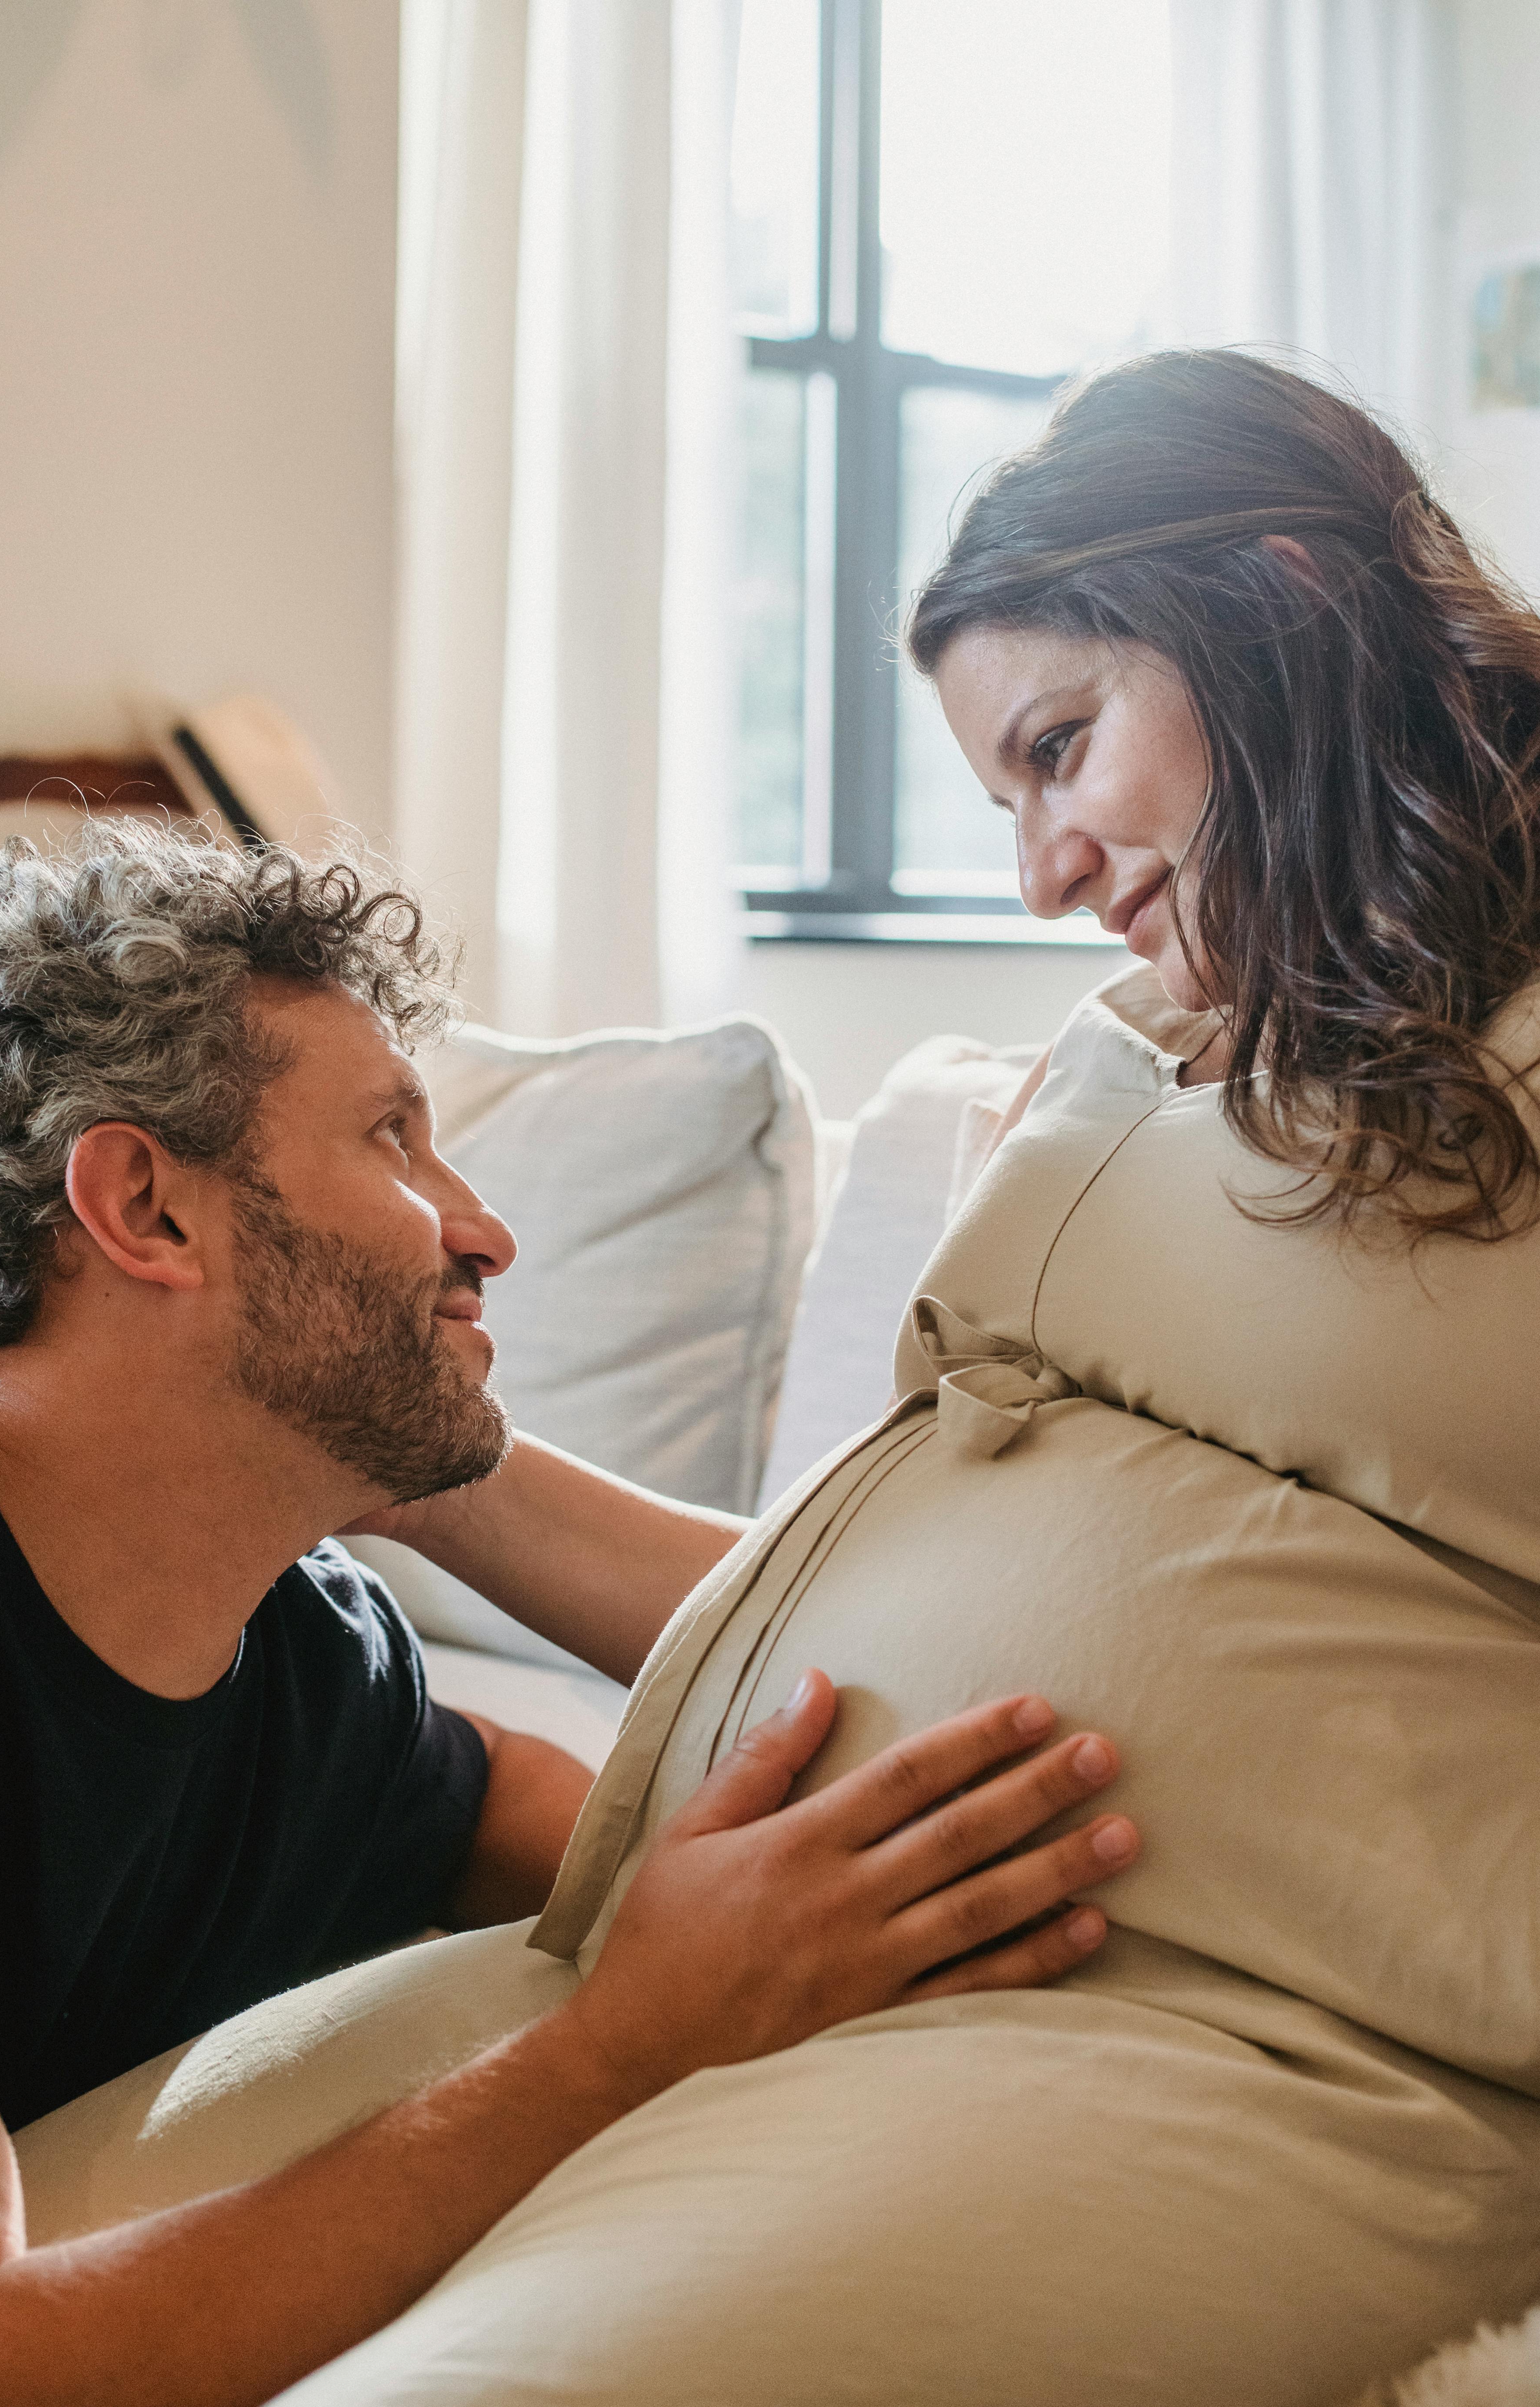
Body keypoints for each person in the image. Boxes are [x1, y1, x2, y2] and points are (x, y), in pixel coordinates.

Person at [199, 349, 1537, 2404]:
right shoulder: (1216, 1075)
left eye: (1060, 748)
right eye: (1006, 800)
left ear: (1271, 601)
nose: (1044, 873)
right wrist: (372, 1437)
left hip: (1190, 2021)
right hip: (748, 1944)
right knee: (85, 2216)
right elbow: (821, 1615)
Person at [0, 828, 1139, 2407]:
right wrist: (610, 2054)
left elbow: (822, 1767)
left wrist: (401, 1441)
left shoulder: (318, 1671)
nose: (485, 1230)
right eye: (392, 1142)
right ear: (146, 1208)